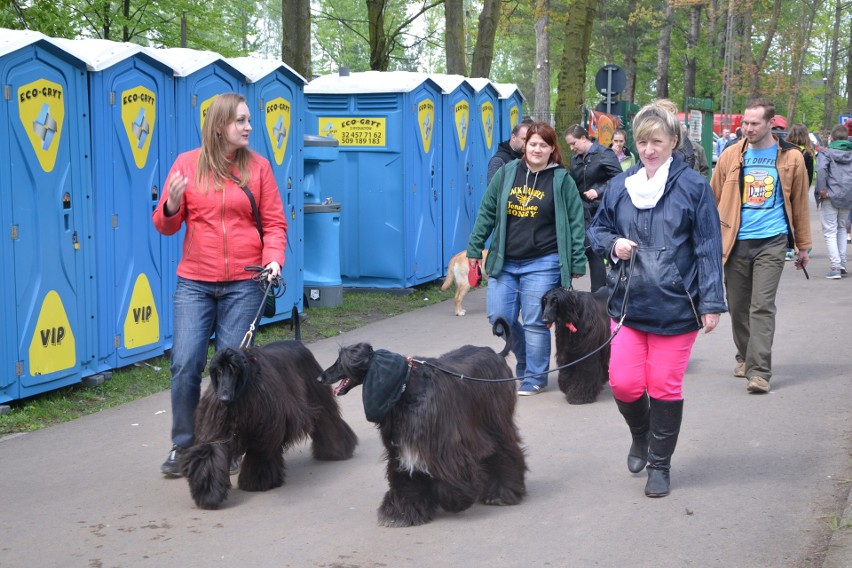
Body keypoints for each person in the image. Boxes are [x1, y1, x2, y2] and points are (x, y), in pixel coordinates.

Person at [588, 103, 726, 498]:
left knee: (664, 385)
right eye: (643, 142)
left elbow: (707, 246)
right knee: (625, 383)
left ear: (674, 142)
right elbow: (596, 231)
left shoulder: (693, 187)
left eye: (657, 141)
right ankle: (641, 435)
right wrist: (614, 244)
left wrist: (711, 303)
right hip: (628, 302)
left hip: (677, 305)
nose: (649, 149)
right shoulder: (620, 186)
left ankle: (660, 467)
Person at [153, 93, 288, 476]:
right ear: (218, 126)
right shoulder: (186, 165)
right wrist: (172, 204)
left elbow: (275, 222)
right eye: (240, 121)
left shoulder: (259, 168)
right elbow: (165, 226)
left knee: (234, 369)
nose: (248, 127)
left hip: (246, 283)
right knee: (185, 363)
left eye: (249, 120)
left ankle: (227, 445)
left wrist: (273, 258)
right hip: (194, 282)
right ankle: (184, 445)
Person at [467, 122, 586, 395]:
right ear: (525, 145)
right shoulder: (508, 173)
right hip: (505, 261)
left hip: (544, 261)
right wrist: (475, 248)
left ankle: (534, 377)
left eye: (543, 145)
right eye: (533, 143)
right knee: (499, 317)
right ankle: (523, 359)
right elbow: (486, 212)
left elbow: (576, 222)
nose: (537, 149)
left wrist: (577, 260)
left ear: (552, 149)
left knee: (535, 321)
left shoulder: (561, 180)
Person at [709, 98, 811, 394]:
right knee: (738, 307)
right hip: (736, 242)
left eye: (754, 124)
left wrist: (802, 246)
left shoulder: (792, 158)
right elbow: (712, 199)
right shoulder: (730, 155)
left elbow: (799, 205)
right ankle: (745, 356)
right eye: (745, 123)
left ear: (770, 124)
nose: (747, 128)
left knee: (761, 307)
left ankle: (760, 372)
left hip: (773, 241)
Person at [564, 124, 623, 292]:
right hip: (580, 212)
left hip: (600, 212)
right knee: (582, 248)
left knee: (596, 252)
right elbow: (572, 184)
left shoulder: (604, 154)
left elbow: (619, 179)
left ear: (584, 138)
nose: (571, 147)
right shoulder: (575, 160)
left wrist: (598, 191)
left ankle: (600, 295)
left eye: (573, 143)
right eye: (569, 144)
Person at [815, 124, 852, 278]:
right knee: (842, 228)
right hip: (848, 196)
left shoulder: (826, 153)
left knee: (830, 231)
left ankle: (835, 267)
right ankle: (842, 263)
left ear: (831, 138)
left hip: (829, 195)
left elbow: (821, 170)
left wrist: (822, 189)